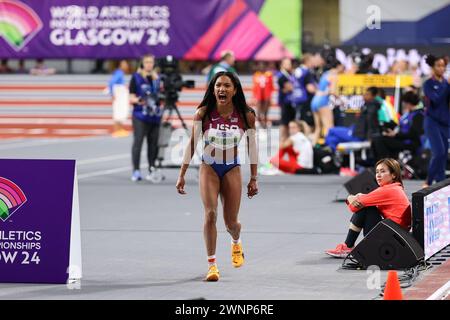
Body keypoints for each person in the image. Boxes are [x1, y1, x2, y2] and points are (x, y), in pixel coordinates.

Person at [175, 71, 258, 281]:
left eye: (227, 86)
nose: (222, 89)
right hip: (209, 167)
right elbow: (192, 143)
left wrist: (254, 178)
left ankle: (236, 242)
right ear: (213, 90)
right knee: (210, 214)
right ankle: (212, 265)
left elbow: (252, 146)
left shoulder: (246, 115)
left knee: (231, 224)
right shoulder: (203, 113)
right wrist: (182, 173)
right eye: (218, 85)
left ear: (235, 90)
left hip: (232, 168)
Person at [326, 158, 412, 258]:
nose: (378, 175)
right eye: (377, 172)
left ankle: (348, 246)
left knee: (366, 209)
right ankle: (348, 246)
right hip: (398, 236)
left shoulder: (388, 190)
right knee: (367, 205)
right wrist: (358, 197)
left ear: (393, 175)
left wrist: (350, 197)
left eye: (383, 171)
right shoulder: (395, 188)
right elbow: (364, 199)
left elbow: (354, 207)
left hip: (391, 240)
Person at [129, 54, 162, 182]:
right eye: (146, 62)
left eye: (151, 62)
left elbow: (160, 96)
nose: (149, 64)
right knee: (138, 142)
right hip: (140, 115)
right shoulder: (136, 78)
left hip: (155, 116)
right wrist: (139, 100)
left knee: (153, 144)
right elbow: (130, 96)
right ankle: (136, 170)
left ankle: (151, 169)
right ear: (142, 64)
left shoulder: (157, 78)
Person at [325, 87, 381, 152]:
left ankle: (332, 154)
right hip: (354, 130)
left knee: (331, 130)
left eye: (367, 94)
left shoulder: (372, 109)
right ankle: (334, 156)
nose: (364, 96)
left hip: (358, 135)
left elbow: (371, 125)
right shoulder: (366, 106)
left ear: (373, 96)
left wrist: (369, 139)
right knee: (332, 139)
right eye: (365, 94)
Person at [422, 55, 450, 187]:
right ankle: (428, 182)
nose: (441, 68)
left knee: (444, 154)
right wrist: (447, 87)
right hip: (432, 122)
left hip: (445, 123)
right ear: (433, 67)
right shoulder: (428, 84)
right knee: (438, 152)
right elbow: (436, 100)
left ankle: (441, 183)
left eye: (443, 65)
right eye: (438, 65)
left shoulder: (446, 83)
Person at [372, 91, 424, 160]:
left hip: (410, 142)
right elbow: (400, 126)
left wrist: (395, 135)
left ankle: (386, 163)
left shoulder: (418, 115)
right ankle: (379, 162)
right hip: (401, 138)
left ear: (407, 103)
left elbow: (413, 134)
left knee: (380, 140)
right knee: (376, 138)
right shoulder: (407, 114)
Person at [310, 59, 344, 145]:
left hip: (315, 100)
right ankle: (329, 150)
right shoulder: (334, 75)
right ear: (339, 66)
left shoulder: (325, 74)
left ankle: (312, 149)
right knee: (329, 128)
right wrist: (342, 100)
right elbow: (332, 91)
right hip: (322, 101)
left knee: (318, 128)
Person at [109, 59, 130, 138]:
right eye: (124, 64)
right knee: (118, 111)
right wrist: (112, 93)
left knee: (121, 111)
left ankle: (120, 129)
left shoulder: (120, 73)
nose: (126, 66)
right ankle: (117, 130)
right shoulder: (119, 73)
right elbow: (112, 83)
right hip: (118, 94)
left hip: (120, 94)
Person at [276, 58, 294, 142]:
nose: (289, 66)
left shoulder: (288, 74)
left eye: (290, 64)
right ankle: (282, 140)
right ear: (282, 65)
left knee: (287, 122)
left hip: (289, 101)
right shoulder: (282, 76)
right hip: (285, 102)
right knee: (284, 122)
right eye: (287, 64)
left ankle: (285, 140)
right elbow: (289, 88)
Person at [252, 61, 274, 129]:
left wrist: (270, 96)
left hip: (266, 94)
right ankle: (260, 121)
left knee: (265, 110)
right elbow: (254, 86)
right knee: (258, 109)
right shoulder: (256, 75)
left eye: (263, 66)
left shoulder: (269, 74)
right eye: (260, 66)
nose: (261, 67)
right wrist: (254, 96)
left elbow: (271, 86)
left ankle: (265, 122)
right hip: (259, 94)